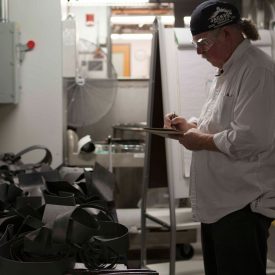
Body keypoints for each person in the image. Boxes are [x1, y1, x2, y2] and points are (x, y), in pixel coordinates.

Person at [164, 1, 275, 274]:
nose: (199, 52)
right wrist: (189, 126)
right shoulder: (227, 70)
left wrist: (197, 140)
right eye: (196, 44)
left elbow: (250, 138)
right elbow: (219, 123)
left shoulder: (257, 71)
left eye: (203, 42)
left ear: (227, 33)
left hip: (242, 207)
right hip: (220, 204)